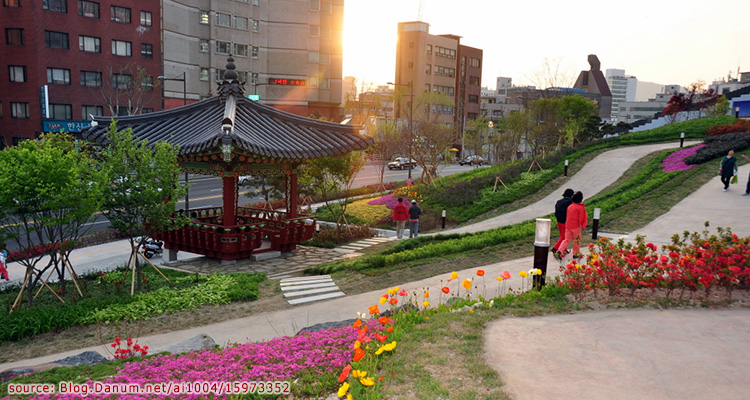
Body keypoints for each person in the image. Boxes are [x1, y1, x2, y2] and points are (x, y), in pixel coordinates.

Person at [557, 191, 588, 259]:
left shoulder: (570, 206)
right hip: (576, 226)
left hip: (568, 226)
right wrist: (581, 225)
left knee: (566, 240)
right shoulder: (580, 208)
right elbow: (581, 218)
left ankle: (559, 250)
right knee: (577, 240)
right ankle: (575, 254)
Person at [551, 188, 575, 260]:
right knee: (565, 237)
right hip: (566, 222)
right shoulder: (570, 202)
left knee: (562, 235)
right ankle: (555, 248)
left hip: (559, 221)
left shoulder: (559, 201)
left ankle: (564, 249)